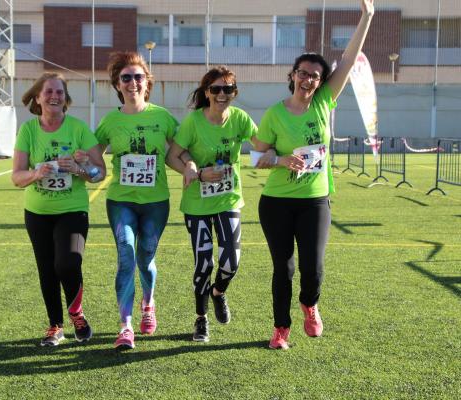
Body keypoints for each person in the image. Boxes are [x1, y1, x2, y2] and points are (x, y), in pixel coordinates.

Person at [254, 0, 375, 349]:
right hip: (276, 202)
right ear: (293, 75)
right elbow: (256, 156)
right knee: (284, 269)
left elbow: (350, 60)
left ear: (321, 82)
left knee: (313, 268)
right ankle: (281, 328)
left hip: (314, 202)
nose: (308, 79)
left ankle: (310, 303)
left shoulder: (323, 102)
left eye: (315, 75)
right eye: (303, 72)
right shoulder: (275, 114)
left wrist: (367, 16)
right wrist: (281, 160)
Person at [95, 51, 181, 350]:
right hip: (121, 201)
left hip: (156, 202)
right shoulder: (110, 121)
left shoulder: (162, 117)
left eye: (138, 77)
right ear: (117, 84)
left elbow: (181, 148)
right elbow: (94, 154)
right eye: (126, 78)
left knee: (145, 257)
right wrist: (88, 166)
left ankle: (148, 303)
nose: (132, 82)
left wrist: (193, 166)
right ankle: (125, 325)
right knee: (126, 257)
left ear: (147, 82)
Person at [12, 72, 106, 346]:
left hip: (72, 210)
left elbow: (100, 172)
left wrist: (80, 167)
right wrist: (35, 173)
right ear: (37, 98)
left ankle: (77, 313)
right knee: (47, 269)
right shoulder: (28, 131)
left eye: (60, 93)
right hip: (38, 213)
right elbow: (16, 177)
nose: (55, 96)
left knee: (68, 262)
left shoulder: (78, 129)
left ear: (66, 99)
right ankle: (55, 325)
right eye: (49, 92)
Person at [167, 66, 257, 342]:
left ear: (235, 93)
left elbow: (263, 143)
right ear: (206, 92)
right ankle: (201, 318)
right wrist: (191, 169)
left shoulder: (240, 119)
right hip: (197, 204)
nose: (221, 94)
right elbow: (173, 156)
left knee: (232, 260)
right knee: (203, 264)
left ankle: (218, 292)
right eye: (216, 89)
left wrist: (281, 153)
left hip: (228, 199)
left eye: (227, 89)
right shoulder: (194, 121)